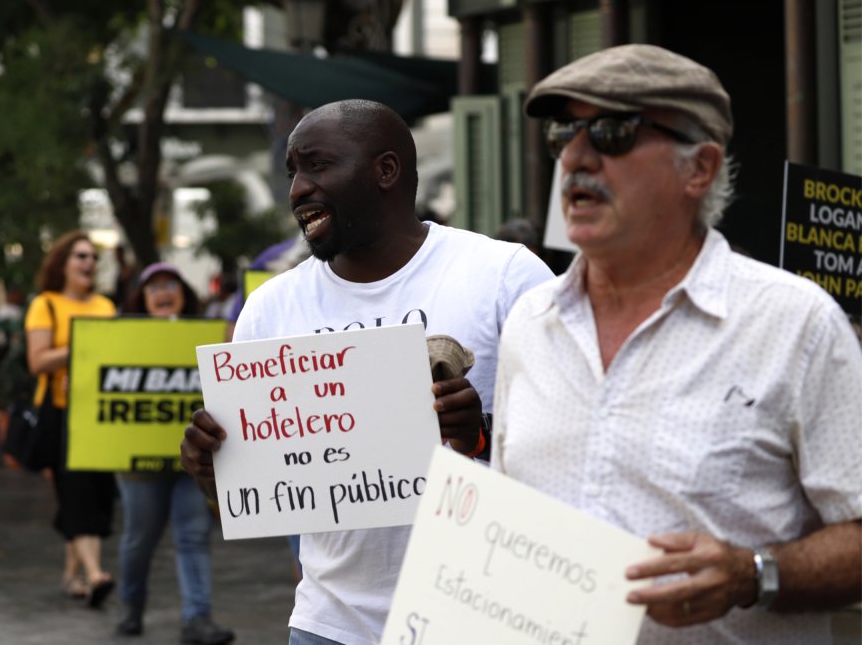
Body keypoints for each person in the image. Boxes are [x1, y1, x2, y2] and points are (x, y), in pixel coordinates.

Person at [492, 44, 862, 644]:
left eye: (612, 133)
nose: (576, 158)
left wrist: (754, 574)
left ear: (700, 168)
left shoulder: (796, 324)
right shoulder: (531, 322)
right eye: (565, 134)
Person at [179, 99, 554, 644]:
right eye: (292, 172)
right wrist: (213, 470)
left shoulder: (504, 277)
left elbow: (572, 446)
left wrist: (480, 435)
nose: (298, 189)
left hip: (480, 616)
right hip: (329, 624)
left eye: (318, 165)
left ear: (386, 170)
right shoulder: (270, 308)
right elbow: (257, 491)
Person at [115, 262, 234, 644]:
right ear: (142, 298)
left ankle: (197, 619)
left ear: (183, 292)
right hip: (139, 464)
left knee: (193, 535)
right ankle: (130, 607)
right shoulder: (122, 338)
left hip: (192, 463)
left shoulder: (207, 336)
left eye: (170, 284)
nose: (162, 292)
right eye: (153, 288)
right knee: (139, 539)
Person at [25, 231, 117, 608]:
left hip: (98, 412)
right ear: (62, 263)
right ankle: (95, 574)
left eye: (92, 257)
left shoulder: (105, 307)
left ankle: (72, 575)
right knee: (76, 493)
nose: (88, 263)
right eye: (80, 256)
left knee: (93, 494)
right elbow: (37, 361)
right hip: (62, 413)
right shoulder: (45, 305)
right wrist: (82, 343)